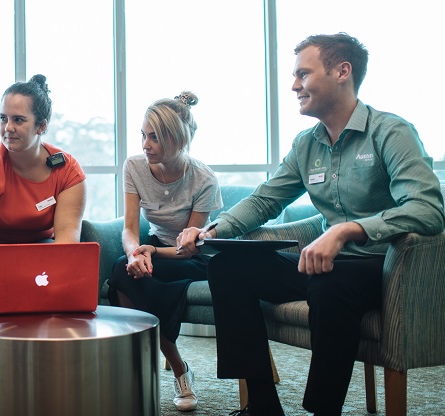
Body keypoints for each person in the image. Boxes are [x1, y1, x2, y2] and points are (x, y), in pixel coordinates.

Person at [176, 33, 445, 415]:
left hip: (382, 266)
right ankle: (263, 406)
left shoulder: (390, 132)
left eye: (303, 73)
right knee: (227, 267)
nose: (293, 85)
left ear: (341, 72)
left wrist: (348, 229)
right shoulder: (307, 144)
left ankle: (324, 410)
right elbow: (266, 199)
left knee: (329, 283)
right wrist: (213, 231)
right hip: (325, 264)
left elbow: (429, 209)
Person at [107, 92, 222, 412]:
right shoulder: (134, 167)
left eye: (154, 137)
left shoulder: (204, 179)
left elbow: (189, 248)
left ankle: (177, 369)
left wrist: (152, 254)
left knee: (140, 279)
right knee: (122, 268)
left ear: (178, 138)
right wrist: (135, 255)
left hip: (194, 257)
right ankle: (171, 366)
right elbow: (129, 229)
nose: (145, 144)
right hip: (154, 248)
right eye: (143, 135)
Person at [0, 74, 87, 313]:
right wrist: (18, 276)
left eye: (18, 120)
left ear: (41, 126)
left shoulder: (67, 170)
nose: (8, 128)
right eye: (3, 119)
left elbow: (66, 241)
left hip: (34, 246)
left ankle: (47, 346)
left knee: (68, 279)